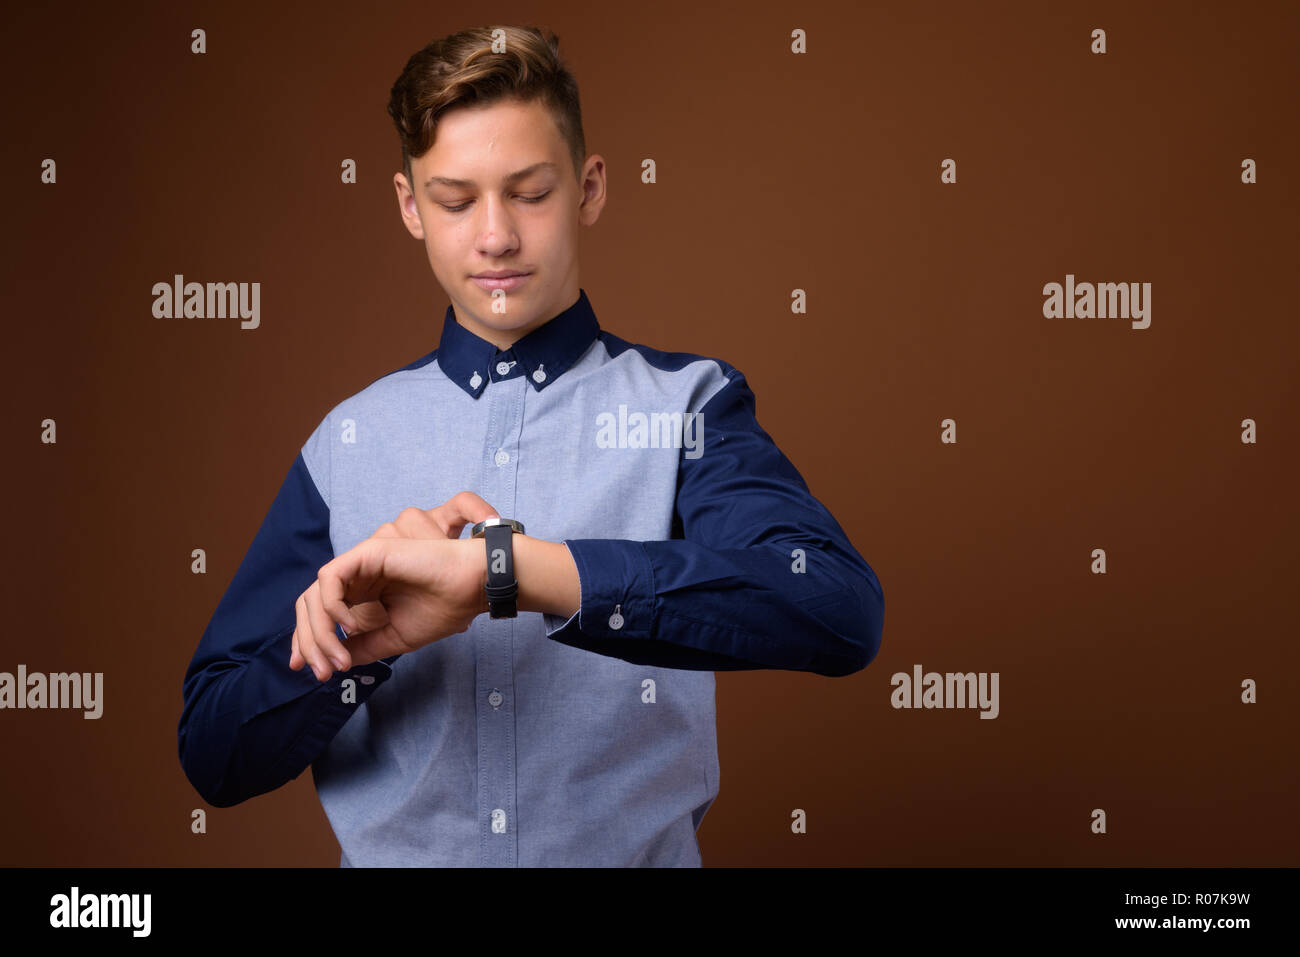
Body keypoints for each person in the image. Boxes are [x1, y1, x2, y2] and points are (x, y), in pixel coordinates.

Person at [177, 24, 884, 867]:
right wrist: (354, 652)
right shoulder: (346, 441)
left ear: (588, 188)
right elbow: (213, 754)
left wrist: (509, 574)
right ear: (409, 206)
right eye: (454, 199)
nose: (496, 237)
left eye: (529, 193)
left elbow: (838, 608)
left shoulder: (689, 404)